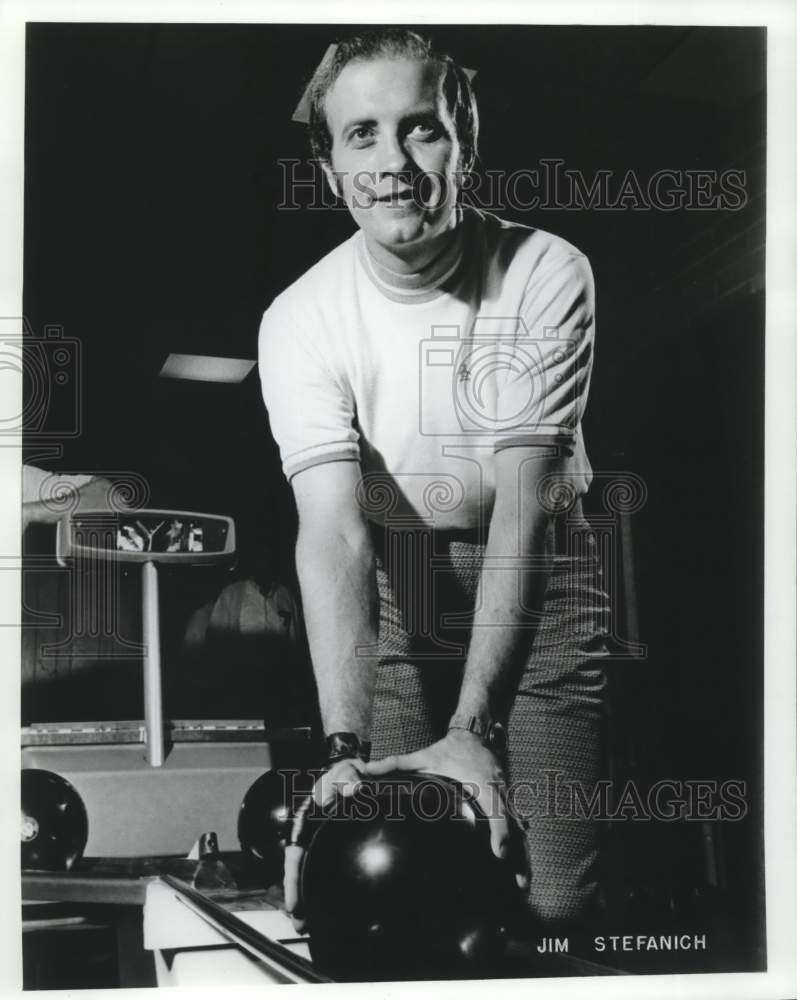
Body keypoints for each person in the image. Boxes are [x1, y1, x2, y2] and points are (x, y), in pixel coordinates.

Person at [258, 28, 610, 939]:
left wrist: (472, 732)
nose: (392, 161)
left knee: (549, 895)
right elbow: (333, 534)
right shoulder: (299, 319)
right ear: (331, 165)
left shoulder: (544, 270)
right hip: (398, 569)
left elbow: (524, 513)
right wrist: (340, 753)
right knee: (396, 862)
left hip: (541, 566)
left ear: (466, 141)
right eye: (361, 135)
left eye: (422, 129)